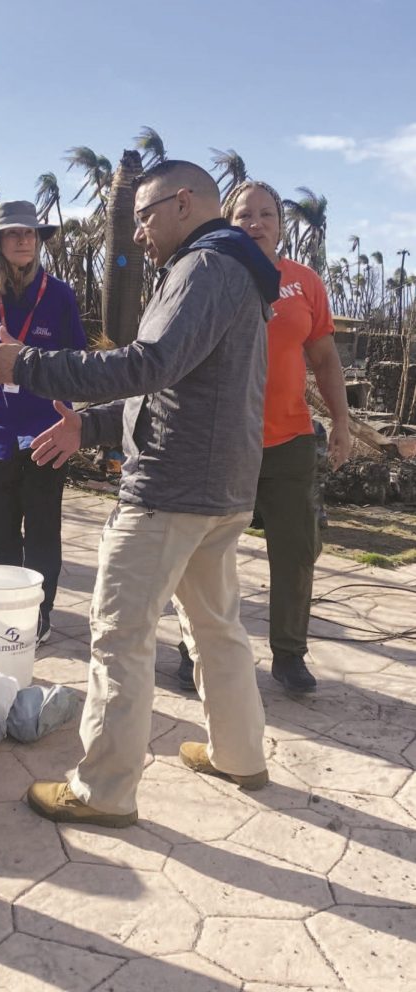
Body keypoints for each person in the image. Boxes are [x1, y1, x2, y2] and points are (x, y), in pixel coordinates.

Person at [0, 160, 281, 827]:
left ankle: (103, 790)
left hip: (170, 488)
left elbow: (148, 365)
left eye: (143, 214)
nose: (136, 231)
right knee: (216, 628)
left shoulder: (203, 268)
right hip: (220, 488)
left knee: (119, 636)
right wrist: (94, 424)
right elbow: (177, 387)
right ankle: (240, 753)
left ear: (183, 202)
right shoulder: (235, 271)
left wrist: (26, 362)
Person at [176, 180, 350, 695]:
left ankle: (289, 655)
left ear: (280, 223)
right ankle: (193, 649)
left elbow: (324, 359)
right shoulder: (208, 276)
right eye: (244, 214)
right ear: (227, 221)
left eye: (266, 214)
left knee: (296, 550)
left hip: (290, 439)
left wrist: (340, 422)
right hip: (220, 440)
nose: (255, 223)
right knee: (206, 553)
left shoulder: (303, 282)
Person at [0, 201, 86, 643]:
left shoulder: (59, 295)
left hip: (46, 430)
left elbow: (78, 360)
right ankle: (6, 605)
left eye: (30, 234)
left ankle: (40, 611)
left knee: (43, 529)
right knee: (1, 532)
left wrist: (30, 361)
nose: (24, 240)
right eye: (13, 234)